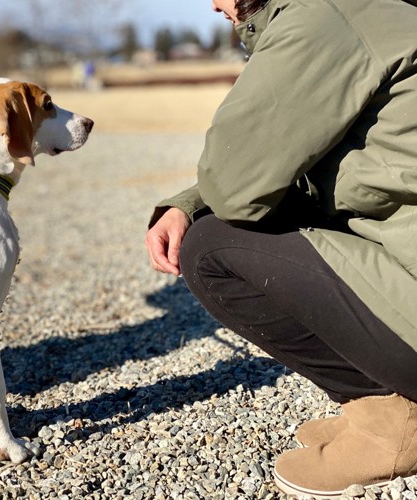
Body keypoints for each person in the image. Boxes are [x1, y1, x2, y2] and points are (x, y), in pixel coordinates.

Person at [145, 0, 417, 496]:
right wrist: (186, 202)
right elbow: (294, 167)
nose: (211, 4)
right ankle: (379, 404)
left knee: (210, 247)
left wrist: (196, 208)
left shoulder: (324, 16)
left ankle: (390, 421)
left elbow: (234, 187)